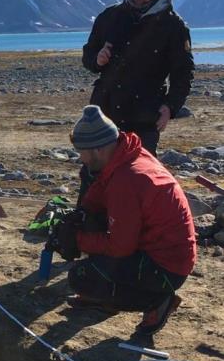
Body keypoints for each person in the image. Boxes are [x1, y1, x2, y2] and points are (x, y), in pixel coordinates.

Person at [53, 106, 196, 335]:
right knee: (92, 229)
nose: (81, 158)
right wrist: (82, 214)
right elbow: (101, 188)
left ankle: (157, 302)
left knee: (81, 277)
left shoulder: (127, 180)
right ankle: (104, 296)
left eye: (82, 152)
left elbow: (120, 247)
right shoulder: (127, 153)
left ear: (98, 149)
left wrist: (78, 241)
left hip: (165, 267)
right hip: (160, 250)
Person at [82, 0, 193, 156]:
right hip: (105, 113)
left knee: (139, 178)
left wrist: (170, 107)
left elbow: (183, 73)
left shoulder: (173, 27)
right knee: (96, 178)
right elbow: (88, 55)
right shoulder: (110, 17)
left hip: (145, 117)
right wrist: (97, 60)